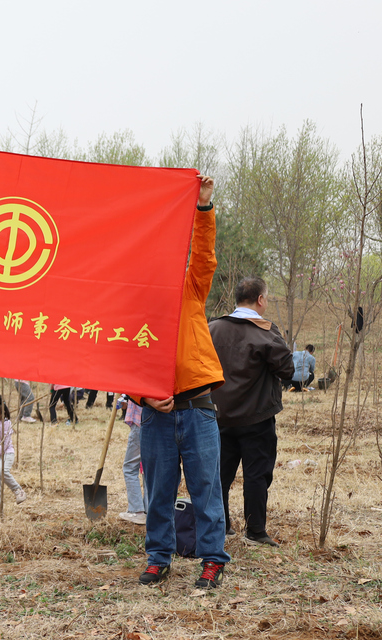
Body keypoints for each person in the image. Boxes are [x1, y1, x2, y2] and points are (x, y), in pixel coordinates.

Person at [134, 175, 229, 590]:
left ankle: (212, 560)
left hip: (198, 409)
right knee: (158, 491)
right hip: (154, 413)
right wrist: (142, 397)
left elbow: (204, 257)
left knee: (207, 488)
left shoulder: (190, 287)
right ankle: (159, 558)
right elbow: (122, 360)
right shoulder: (135, 305)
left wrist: (203, 207)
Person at [209, 277, 294, 548]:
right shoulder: (266, 332)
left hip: (218, 416)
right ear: (260, 300)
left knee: (219, 474)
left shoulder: (211, 329)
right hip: (257, 418)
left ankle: (221, 526)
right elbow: (288, 370)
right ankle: (255, 530)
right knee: (257, 475)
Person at [116, 395, 146, 525]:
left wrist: (124, 398)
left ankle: (137, 511)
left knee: (129, 468)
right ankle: (149, 510)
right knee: (148, 468)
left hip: (140, 424)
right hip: (153, 423)